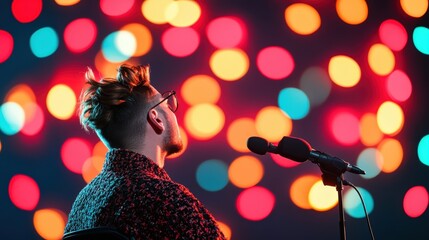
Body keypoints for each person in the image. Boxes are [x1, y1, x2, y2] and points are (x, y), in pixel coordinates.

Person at [64, 64, 226, 239]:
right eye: (167, 104)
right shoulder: (163, 198)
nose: (173, 112)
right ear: (156, 118)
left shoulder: (82, 203)